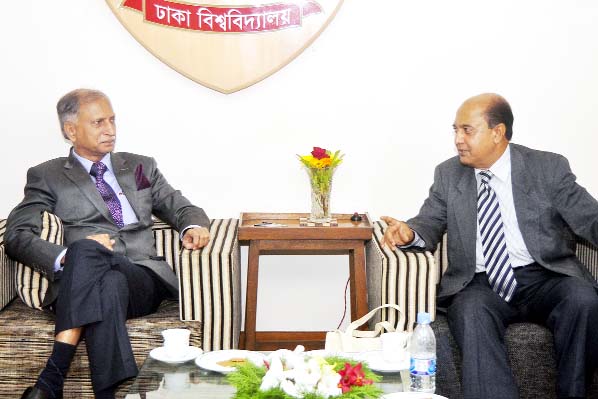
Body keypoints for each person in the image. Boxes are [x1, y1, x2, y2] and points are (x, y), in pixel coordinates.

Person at [382, 93, 598, 399]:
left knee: (583, 299)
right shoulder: (448, 173)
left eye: (467, 130)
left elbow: (588, 217)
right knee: (470, 311)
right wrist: (410, 234)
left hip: (545, 277)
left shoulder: (547, 168)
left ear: (498, 133)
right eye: (455, 130)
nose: (458, 139)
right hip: (480, 283)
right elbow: (429, 222)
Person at [5, 89, 211, 399]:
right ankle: (107, 394)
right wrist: (66, 256)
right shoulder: (48, 176)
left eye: (112, 120)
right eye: (98, 122)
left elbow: (179, 206)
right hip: (93, 279)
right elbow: (16, 234)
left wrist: (193, 225)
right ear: (70, 130)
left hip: (143, 277)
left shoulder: (139, 167)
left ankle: (50, 381)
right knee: (105, 277)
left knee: (92, 255)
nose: (110, 130)